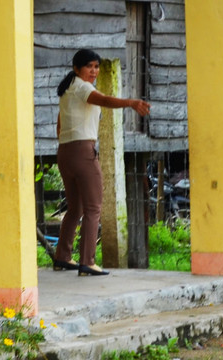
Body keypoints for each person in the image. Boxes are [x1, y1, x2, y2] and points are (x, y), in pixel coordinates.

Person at [53, 49, 151, 276]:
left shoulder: (67, 90)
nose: (94, 71)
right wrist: (131, 102)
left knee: (75, 208)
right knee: (93, 207)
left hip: (65, 152)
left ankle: (63, 257)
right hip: (82, 151)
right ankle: (87, 261)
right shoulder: (83, 87)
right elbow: (104, 100)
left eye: (96, 67)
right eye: (89, 67)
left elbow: (59, 124)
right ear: (77, 69)